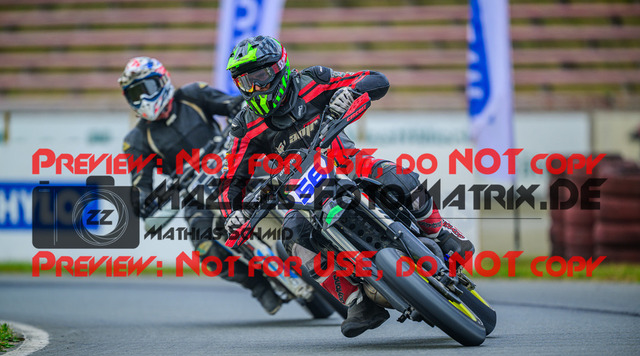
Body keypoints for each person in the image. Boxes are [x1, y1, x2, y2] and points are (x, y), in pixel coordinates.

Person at [219, 36, 474, 337]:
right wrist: (232, 214)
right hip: (302, 193)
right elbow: (230, 180)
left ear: (278, 67)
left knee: (399, 177)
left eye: (259, 76)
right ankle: (356, 301)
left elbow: (376, 79)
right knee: (293, 237)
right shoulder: (244, 125)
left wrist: (351, 92)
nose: (254, 87)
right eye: (245, 82)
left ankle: (440, 233)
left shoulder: (314, 79)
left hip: (347, 162)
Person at [118, 56, 282, 314]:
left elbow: (235, 104)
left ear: (162, 81)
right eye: (135, 94)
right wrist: (143, 201)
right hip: (194, 193)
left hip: (233, 162)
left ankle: (323, 234)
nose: (144, 99)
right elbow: (141, 185)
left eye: (146, 88)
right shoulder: (136, 139)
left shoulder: (193, 94)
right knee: (206, 250)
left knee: (285, 179)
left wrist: (237, 118)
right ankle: (260, 288)